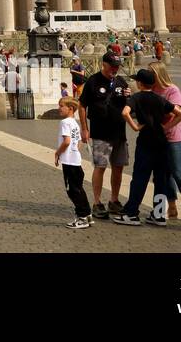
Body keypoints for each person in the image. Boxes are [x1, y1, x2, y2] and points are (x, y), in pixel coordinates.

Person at [111, 69, 181, 227]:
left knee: (140, 178)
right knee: (161, 180)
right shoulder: (160, 98)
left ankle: (131, 213)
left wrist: (135, 127)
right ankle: (158, 215)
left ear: (139, 83)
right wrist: (166, 127)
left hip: (146, 142)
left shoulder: (137, 97)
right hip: (162, 143)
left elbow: (125, 112)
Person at [78, 52, 131, 219]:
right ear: (104, 64)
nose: (114, 70)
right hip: (100, 132)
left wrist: (129, 98)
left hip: (119, 133)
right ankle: (97, 202)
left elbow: (129, 107)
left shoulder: (121, 82)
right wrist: (84, 129)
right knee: (100, 167)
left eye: (117, 67)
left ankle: (114, 200)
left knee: (118, 167)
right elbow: (82, 106)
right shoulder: (93, 81)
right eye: (112, 66)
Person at [149, 61, 181, 225]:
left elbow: (174, 114)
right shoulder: (152, 90)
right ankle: (172, 206)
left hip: (173, 138)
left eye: (151, 73)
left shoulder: (172, 90)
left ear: (158, 73)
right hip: (157, 140)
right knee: (163, 176)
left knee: (178, 174)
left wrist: (163, 127)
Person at [54, 96, 91, 229]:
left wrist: (58, 153)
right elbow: (80, 140)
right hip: (76, 161)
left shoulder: (65, 123)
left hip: (69, 162)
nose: (59, 108)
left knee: (73, 191)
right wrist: (75, 150)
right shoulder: (75, 123)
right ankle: (87, 214)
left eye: (61, 106)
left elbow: (67, 141)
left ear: (70, 108)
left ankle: (81, 217)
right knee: (79, 189)